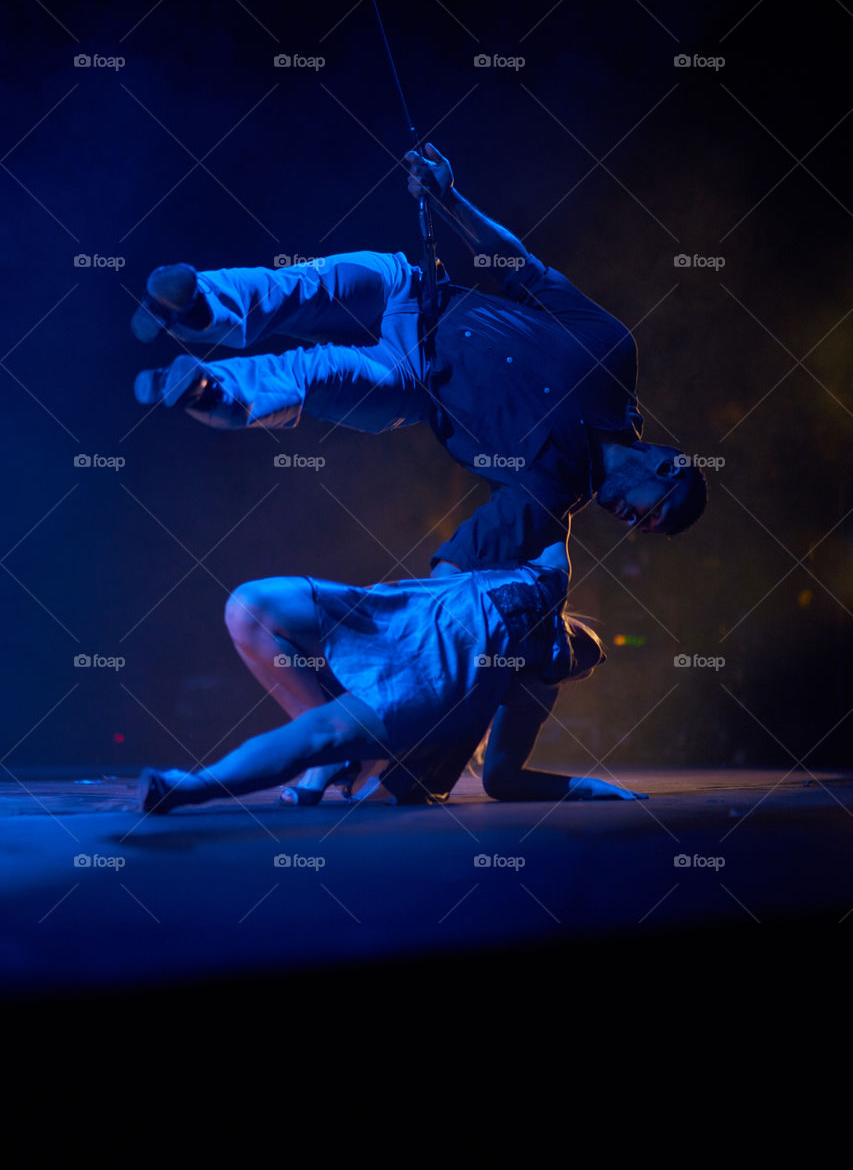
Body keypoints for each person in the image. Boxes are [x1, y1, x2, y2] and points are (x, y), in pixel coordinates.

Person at [131, 144, 706, 576]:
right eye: (653, 513)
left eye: (646, 528)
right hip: (415, 291)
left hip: (409, 382)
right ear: (665, 466)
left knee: (315, 374)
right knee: (299, 288)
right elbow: (518, 266)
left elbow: (461, 563)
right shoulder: (610, 350)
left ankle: (212, 392)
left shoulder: (551, 495)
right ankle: (196, 306)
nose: (635, 524)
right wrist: (449, 199)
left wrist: (423, 624)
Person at [137, 542, 646, 815]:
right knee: (248, 606)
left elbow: (502, 778)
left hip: (426, 685)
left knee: (321, 737)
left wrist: (587, 787)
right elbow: (559, 502)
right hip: (393, 622)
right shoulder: (548, 577)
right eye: (584, 647)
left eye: (577, 668)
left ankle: (190, 788)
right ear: (571, 620)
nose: (582, 660)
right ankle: (331, 764)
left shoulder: (537, 688)